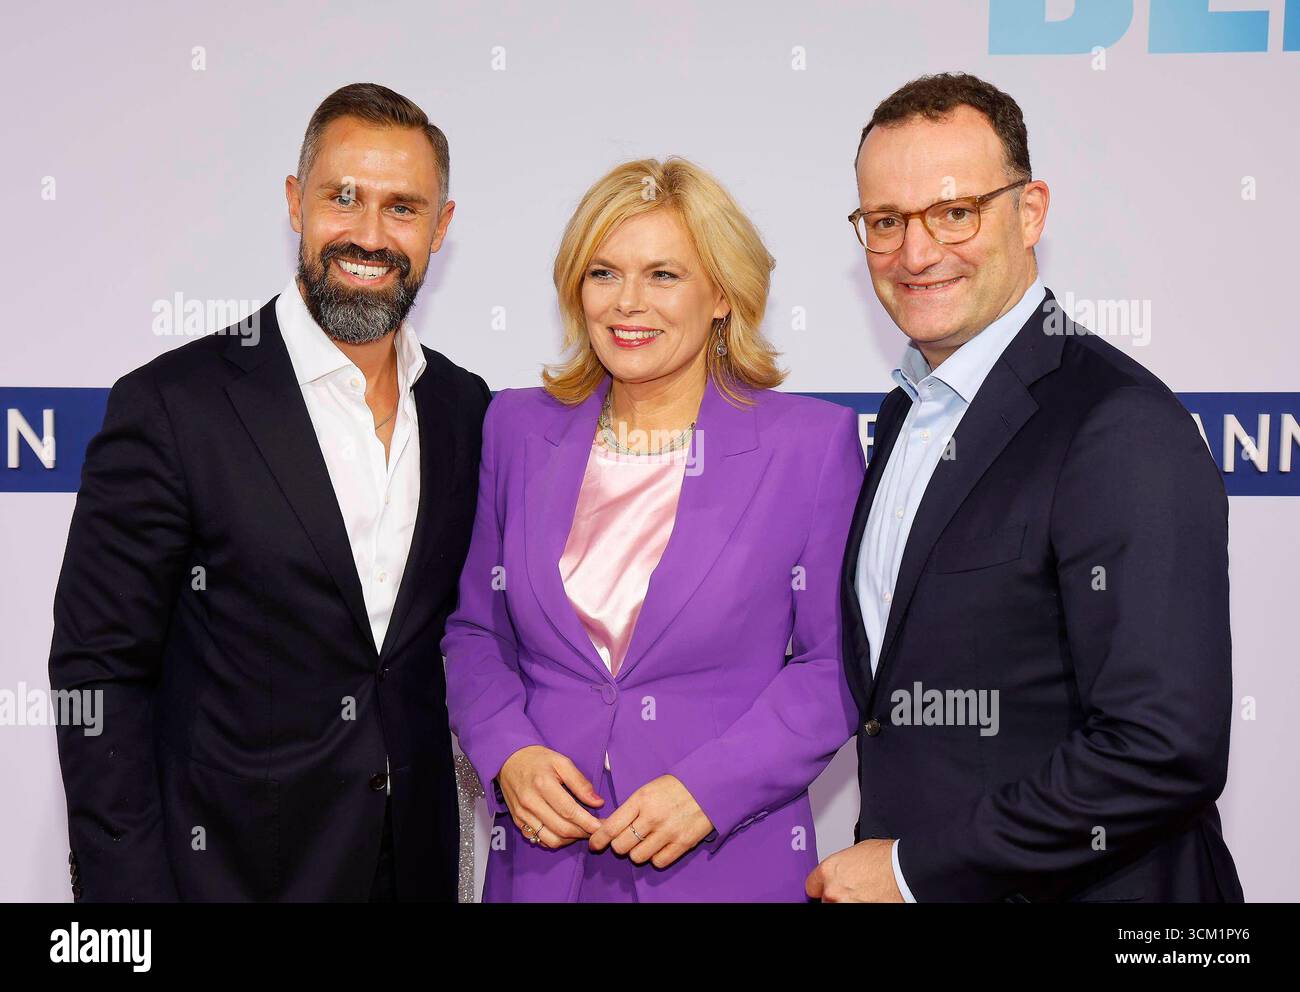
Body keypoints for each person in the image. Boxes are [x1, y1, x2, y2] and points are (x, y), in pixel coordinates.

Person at [807, 72, 1243, 902]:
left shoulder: (1119, 425)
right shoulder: (908, 411)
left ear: (1031, 210)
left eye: (955, 212)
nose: (917, 252)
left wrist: (909, 871)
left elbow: (1162, 747)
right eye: (886, 222)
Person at [48, 82, 488, 901]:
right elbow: (98, 675)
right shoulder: (174, 405)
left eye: (402, 208)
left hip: (416, 874)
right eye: (342, 197)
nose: (368, 234)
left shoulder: (468, 410)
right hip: (229, 878)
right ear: (296, 202)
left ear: (441, 227)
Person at [443, 157, 864, 902]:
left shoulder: (809, 445)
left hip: (721, 859)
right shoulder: (515, 426)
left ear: (723, 296)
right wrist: (509, 754)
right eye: (604, 273)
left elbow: (835, 670)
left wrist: (709, 790)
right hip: (543, 863)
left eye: (664, 275)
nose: (627, 303)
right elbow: (476, 632)